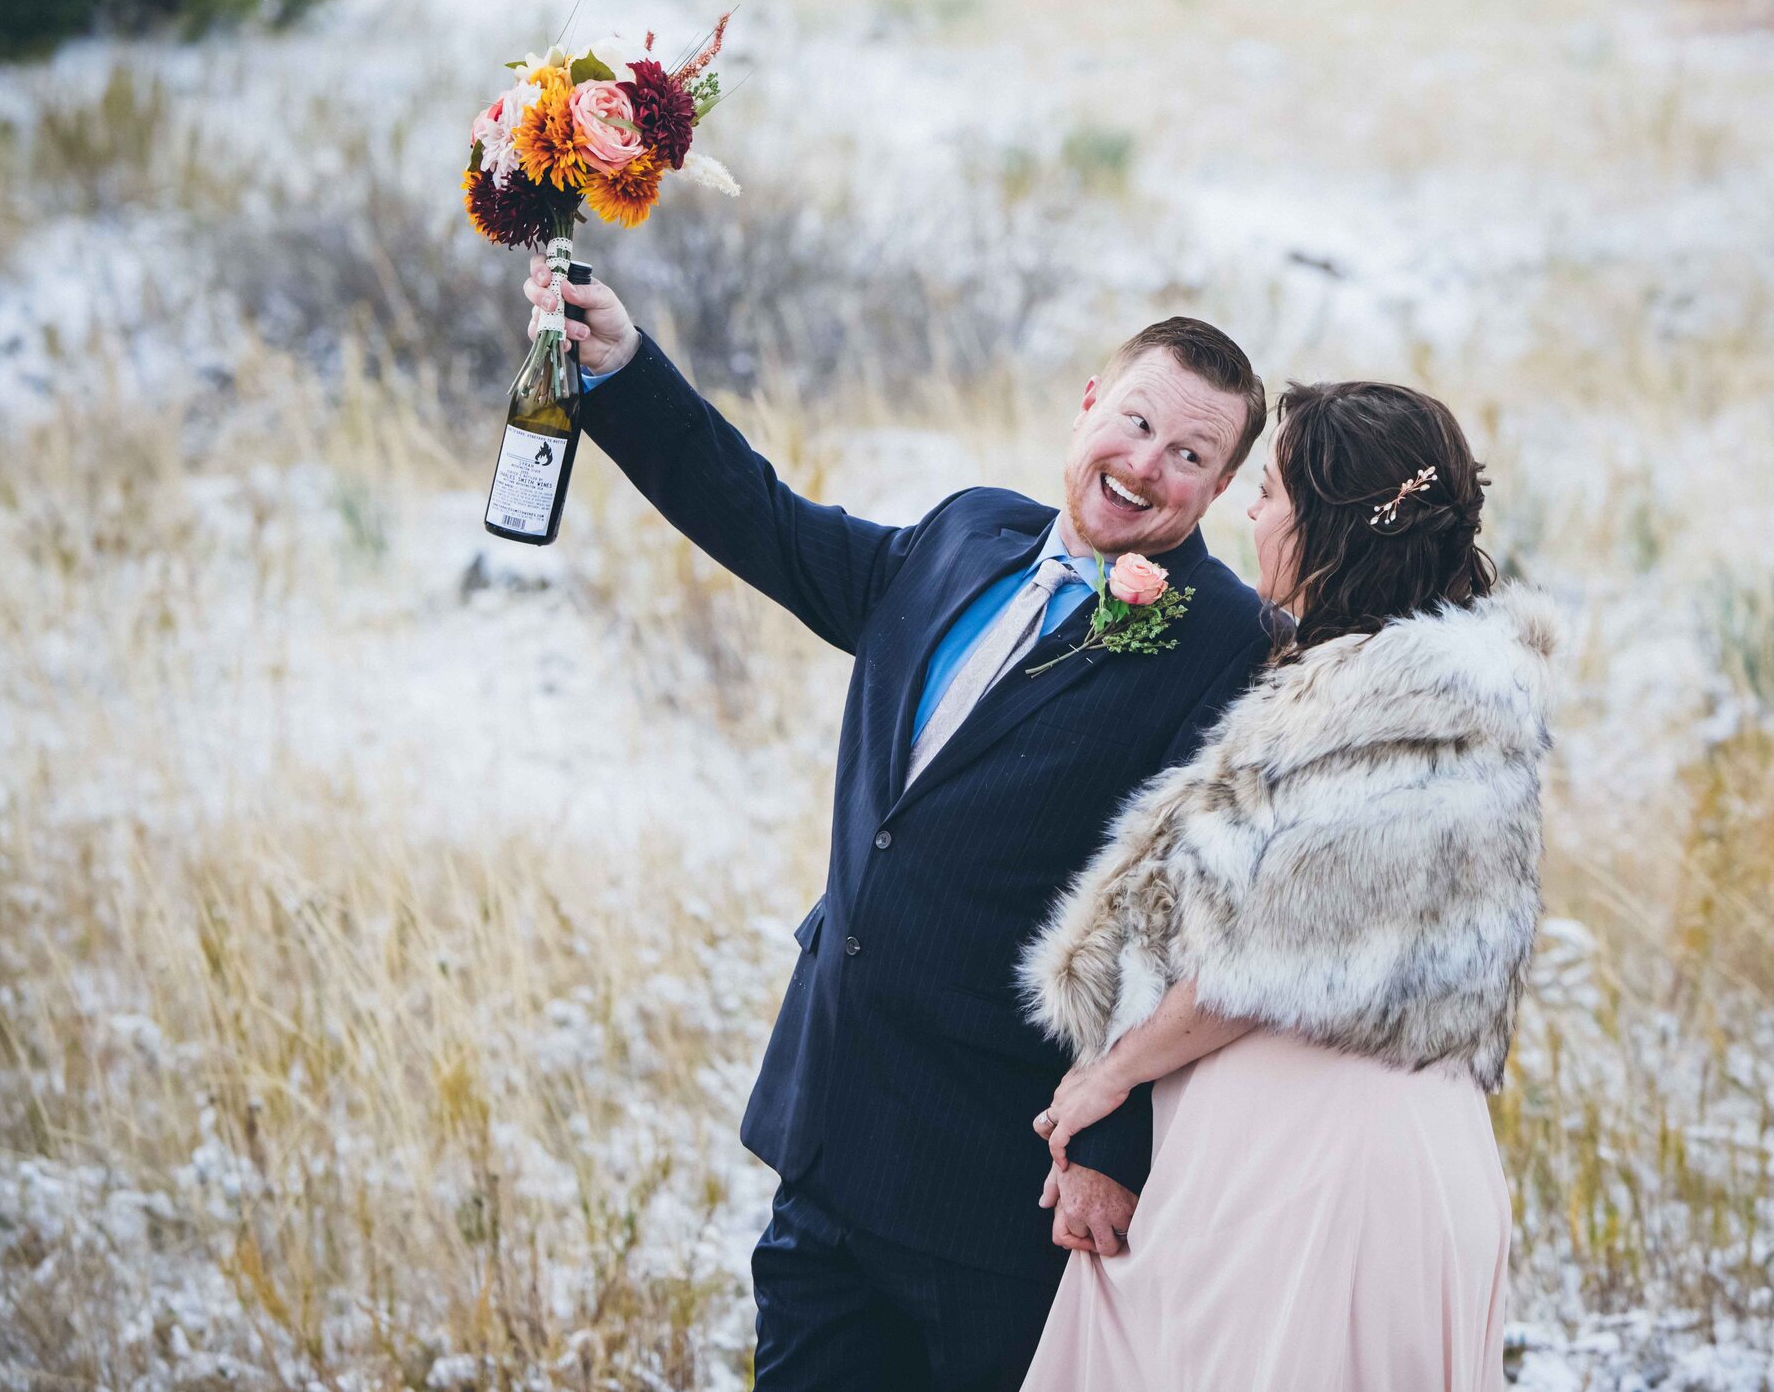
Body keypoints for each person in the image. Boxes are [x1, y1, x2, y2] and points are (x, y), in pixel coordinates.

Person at [525, 266, 1273, 1391]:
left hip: (992, 1184)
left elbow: (1189, 912)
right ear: (1087, 404)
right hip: (828, 1127)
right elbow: (767, 522)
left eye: (1189, 455)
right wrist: (623, 370)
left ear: (1216, 489)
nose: (1145, 463)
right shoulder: (968, 531)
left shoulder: (1220, 637)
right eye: (1137, 420)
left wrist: (1111, 1148)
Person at [1017, 379, 1559, 1392]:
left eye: (1265, 491)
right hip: (1320, 1139)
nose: (1250, 513)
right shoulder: (1411, 681)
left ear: (1326, 524)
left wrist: (1113, 1071)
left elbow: (1265, 960)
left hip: (1322, 1167)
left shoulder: (1395, 702)